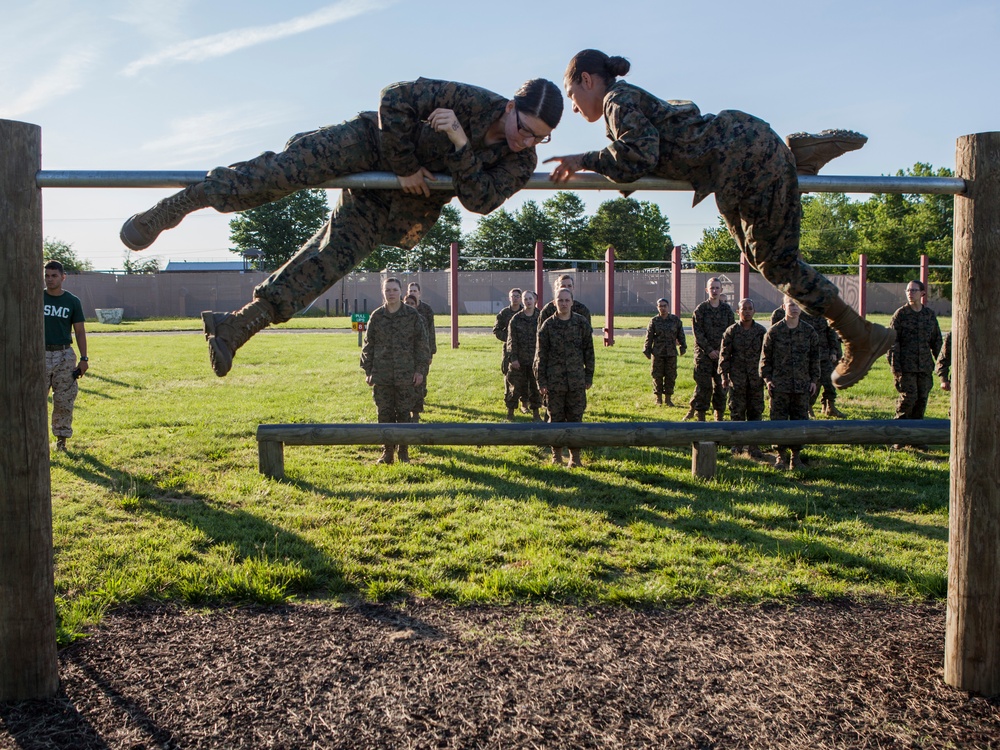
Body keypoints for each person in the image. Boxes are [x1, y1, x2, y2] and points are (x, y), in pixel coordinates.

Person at [121, 77, 562, 377]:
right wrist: (407, 164)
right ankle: (173, 208)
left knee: (331, 262)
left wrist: (460, 142)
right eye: (524, 127)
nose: (526, 141)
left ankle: (235, 327)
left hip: (393, 200)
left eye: (538, 137)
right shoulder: (468, 99)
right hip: (367, 144)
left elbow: (481, 199)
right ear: (510, 106)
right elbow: (394, 97)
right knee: (281, 173)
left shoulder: (519, 159)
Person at [546, 49, 894, 391]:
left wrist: (583, 160)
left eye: (571, 95)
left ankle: (860, 335)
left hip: (742, 161)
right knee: (760, 258)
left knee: (777, 264)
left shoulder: (616, 101)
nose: (573, 107)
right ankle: (794, 159)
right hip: (738, 159)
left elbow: (639, 153)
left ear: (587, 80)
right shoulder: (622, 100)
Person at [360, 278, 431, 464]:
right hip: (382, 375)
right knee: (384, 414)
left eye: (394, 290)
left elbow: (422, 345)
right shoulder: (376, 316)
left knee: (404, 413)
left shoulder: (412, 315)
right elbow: (368, 345)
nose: (391, 293)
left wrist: (420, 371)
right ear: (383, 292)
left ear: (401, 292)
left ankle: (404, 452)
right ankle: (387, 452)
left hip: (405, 374)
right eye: (387, 290)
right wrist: (368, 370)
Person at [535, 288, 595, 468]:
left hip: (576, 380)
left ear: (572, 302)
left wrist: (588, 375)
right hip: (554, 383)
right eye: (560, 300)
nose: (563, 303)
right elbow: (540, 356)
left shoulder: (581, 323)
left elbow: (589, 352)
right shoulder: (547, 326)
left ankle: (575, 457)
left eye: (567, 300)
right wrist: (541, 381)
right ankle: (556, 455)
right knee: (555, 419)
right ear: (554, 302)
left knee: (576, 418)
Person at [761, 296, 820, 471]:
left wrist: (814, 380)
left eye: (797, 305)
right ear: (783, 307)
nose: (794, 308)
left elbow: (815, 359)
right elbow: (765, 360)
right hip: (779, 386)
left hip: (802, 385)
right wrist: (768, 379)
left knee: (800, 421)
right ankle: (780, 456)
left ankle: (796, 456)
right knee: (778, 421)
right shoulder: (774, 332)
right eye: (791, 305)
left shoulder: (809, 332)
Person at [887, 280, 943, 449]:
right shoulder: (901, 315)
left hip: (924, 367)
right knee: (908, 399)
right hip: (906, 367)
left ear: (922, 293)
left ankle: (916, 438)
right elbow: (891, 342)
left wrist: (942, 364)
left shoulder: (929, 315)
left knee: (921, 400)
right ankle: (899, 436)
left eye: (914, 290)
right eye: (908, 290)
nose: (910, 293)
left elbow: (937, 341)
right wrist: (895, 367)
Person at [43, 260, 89, 452]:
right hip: (39, 354)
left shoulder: (72, 301)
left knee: (63, 400)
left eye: (54, 276)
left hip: (63, 354)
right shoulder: (36, 297)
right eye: (47, 275)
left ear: (63, 277)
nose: (50, 279)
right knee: (34, 399)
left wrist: (84, 359)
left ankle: (61, 442)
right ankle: (36, 440)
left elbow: (79, 331)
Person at [770, 304, 844, 417]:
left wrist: (834, 351)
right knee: (813, 383)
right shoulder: (788, 311)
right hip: (804, 355)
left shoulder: (823, 310)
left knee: (830, 380)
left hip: (824, 353)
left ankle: (830, 406)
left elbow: (831, 331)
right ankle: (808, 406)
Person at [719, 299, 767, 458]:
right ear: (737, 311)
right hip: (737, 378)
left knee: (755, 412)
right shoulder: (731, 331)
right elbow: (724, 355)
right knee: (737, 411)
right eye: (743, 309)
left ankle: (754, 446)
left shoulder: (761, 332)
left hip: (755, 379)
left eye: (749, 309)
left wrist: (766, 377)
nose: (746, 311)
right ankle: (737, 444)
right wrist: (724, 376)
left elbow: (766, 356)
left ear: (754, 311)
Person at [685, 278, 734, 422]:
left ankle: (718, 417)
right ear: (707, 290)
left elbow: (731, 331)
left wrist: (722, 351)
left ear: (721, 290)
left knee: (721, 387)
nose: (714, 290)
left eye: (717, 288)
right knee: (703, 387)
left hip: (721, 355)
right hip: (704, 355)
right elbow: (698, 333)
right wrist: (709, 350)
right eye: (712, 288)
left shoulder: (726, 310)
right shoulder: (701, 310)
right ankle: (700, 417)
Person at [506, 290, 543, 421]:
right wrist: (513, 358)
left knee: (535, 388)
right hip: (519, 361)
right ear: (522, 301)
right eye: (525, 299)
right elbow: (511, 341)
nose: (528, 301)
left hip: (535, 360)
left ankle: (536, 414)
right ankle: (510, 413)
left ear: (535, 300)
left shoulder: (541, 317)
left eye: (530, 299)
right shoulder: (516, 319)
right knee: (515, 388)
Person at [642, 297, 686, 406]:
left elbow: (681, 334)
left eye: (664, 306)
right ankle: (658, 398)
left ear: (668, 307)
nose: (662, 308)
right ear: (657, 307)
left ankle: (668, 398)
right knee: (657, 375)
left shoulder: (675, 320)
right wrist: (647, 350)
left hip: (671, 352)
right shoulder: (654, 321)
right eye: (660, 306)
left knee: (670, 376)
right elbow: (649, 337)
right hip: (658, 352)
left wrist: (683, 346)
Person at [406, 281, 436, 421]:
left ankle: (418, 406)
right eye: (410, 290)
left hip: (421, 352)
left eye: (414, 290)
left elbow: (430, 333)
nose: (412, 292)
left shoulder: (426, 311)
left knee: (420, 380)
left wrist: (430, 353)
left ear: (419, 292)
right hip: (405, 356)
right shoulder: (402, 311)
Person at [493, 287, 523, 419]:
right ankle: (509, 404)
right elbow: (496, 330)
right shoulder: (504, 313)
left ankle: (525, 403)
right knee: (509, 375)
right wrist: (509, 338)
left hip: (525, 349)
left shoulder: (525, 311)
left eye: (517, 296)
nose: (515, 298)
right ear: (509, 298)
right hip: (509, 350)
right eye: (513, 296)